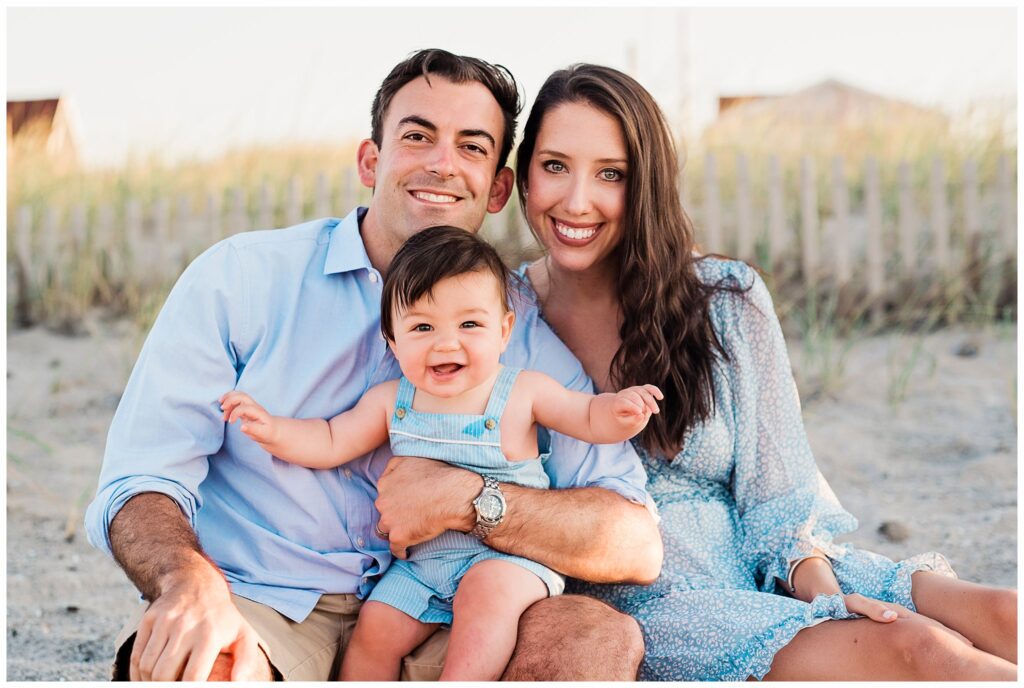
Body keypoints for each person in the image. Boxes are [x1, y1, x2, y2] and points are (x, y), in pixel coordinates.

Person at [84, 50, 662, 682]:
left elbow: (634, 540)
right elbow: (142, 477)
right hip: (264, 602)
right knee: (198, 664)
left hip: (449, 609)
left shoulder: (513, 328)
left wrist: (473, 501)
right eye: (417, 136)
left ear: (498, 187)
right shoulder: (242, 279)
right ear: (371, 160)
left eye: (472, 147)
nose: (442, 163)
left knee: (591, 634)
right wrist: (187, 581)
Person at [513, 63, 1018, 681]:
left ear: (645, 185)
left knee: (1006, 615)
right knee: (918, 652)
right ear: (523, 173)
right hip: (655, 602)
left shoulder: (725, 297)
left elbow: (778, 494)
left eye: (610, 174)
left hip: (771, 557)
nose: (576, 200)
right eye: (555, 166)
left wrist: (825, 600)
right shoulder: (497, 319)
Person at [220, 226, 663, 680]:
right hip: (423, 567)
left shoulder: (522, 391)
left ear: (504, 330)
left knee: (484, 599)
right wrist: (271, 429)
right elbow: (331, 439)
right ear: (393, 341)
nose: (446, 342)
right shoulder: (393, 399)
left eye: (470, 324)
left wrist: (621, 411)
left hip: (506, 561)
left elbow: (586, 416)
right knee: (376, 627)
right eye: (422, 327)